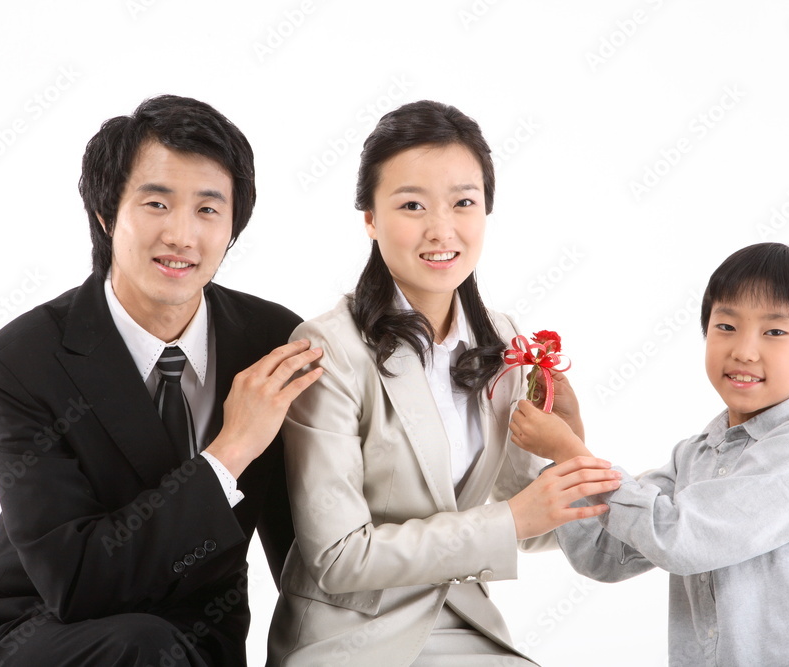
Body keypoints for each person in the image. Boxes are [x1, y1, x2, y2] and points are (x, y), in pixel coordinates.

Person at [0, 95, 323, 667]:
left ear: (233, 226)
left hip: (197, 641)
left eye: (208, 209)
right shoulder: (21, 362)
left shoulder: (271, 339)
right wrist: (231, 451)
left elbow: (305, 548)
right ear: (105, 214)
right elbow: (76, 582)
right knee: (140, 644)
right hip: (37, 629)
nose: (182, 235)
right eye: (157, 204)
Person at [266, 100, 622, 666]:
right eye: (412, 205)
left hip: (464, 623)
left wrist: (568, 454)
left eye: (463, 202)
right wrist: (513, 518)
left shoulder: (503, 339)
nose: (442, 229)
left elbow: (529, 521)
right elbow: (338, 557)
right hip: (353, 637)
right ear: (370, 218)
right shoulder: (329, 348)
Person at [510, 242, 789, 665]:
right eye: (726, 326)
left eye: (774, 332)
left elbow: (680, 540)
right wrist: (571, 449)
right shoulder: (694, 456)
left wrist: (569, 449)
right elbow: (603, 555)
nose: (743, 350)